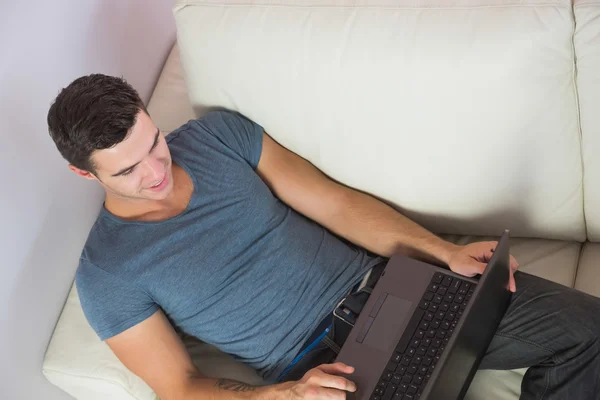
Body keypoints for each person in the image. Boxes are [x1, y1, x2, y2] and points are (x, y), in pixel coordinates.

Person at [47, 74, 600, 400]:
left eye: (153, 143)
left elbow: (335, 202)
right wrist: (280, 396)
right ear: (83, 173)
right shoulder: (108, 273)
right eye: (127, 171)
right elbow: (180, 387)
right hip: (324, 368)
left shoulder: (216, 137)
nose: (155, 171)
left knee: (589, 329)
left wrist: (443, 251)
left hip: (396, 287)